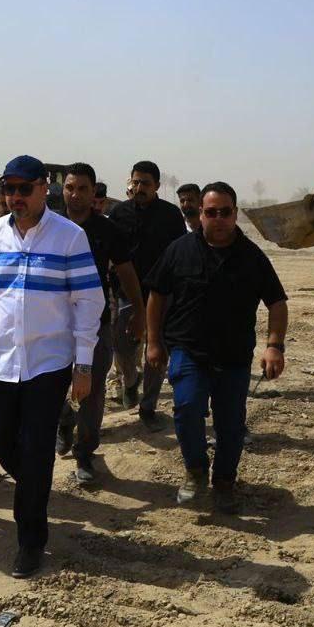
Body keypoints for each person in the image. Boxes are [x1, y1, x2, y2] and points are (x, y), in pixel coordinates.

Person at [0, 155, 105, 578]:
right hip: (2, 361)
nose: (15, 197)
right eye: (9, 189)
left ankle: (30, 542)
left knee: (37, 450)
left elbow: (89, 301)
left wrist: (84, 365)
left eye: (24, 189)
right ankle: (36, 485)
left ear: (43, 189)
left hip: (49, 363)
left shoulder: (69, 237)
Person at [145, 182, 288, 513]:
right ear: (200, 213)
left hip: (233, 357)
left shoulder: (251, 257)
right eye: (212, 212)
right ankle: (195, 471)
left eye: (225, 212)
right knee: (186, 408)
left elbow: (277, 303)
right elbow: (157, 295)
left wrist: (274, 346)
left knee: (231, 425)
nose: (219, 218)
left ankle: (224, 482)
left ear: (235, 214)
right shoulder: (179, 250)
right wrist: (153, 341)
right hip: (188, 351)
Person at [55, 163, 145, 484]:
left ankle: (85, 454)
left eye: (82, 188)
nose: (75, 194)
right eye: (70, 188)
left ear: (93, 192)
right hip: (53, 324)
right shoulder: (49, 226)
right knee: (50, 385)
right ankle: (64, 419)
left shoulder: (107, 230)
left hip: (96, 323)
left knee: (92, 392)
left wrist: (139, 310)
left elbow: (126, 271)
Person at [108, 160, 188, 428]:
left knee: (157, 352)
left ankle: (148, 407)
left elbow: (179, 255)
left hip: (161, 295)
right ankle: (130, 382)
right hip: (126, 294)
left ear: (157, 186)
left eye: (145, 183)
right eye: (136, 182)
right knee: (121, 346)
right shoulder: (118, 213)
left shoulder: (171, 215)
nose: (139, 187)